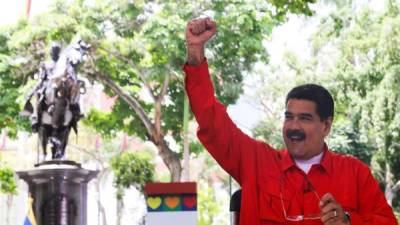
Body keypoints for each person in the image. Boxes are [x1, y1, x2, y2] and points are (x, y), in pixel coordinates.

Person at [183, 17, 398, 225]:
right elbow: (211, 120)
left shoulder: (355, 174)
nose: (293, 126)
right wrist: (195, 52)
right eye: (289, 117)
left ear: (326, 125)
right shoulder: (255, 162)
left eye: (304, 119)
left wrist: (348, 221)